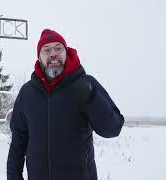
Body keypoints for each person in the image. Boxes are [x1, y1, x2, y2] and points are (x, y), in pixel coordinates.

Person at [7, 29, 124, 180]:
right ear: (39, 57)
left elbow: (112, 129)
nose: (53, 54)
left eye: (58, 48)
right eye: (47, 50)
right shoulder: (27, 93)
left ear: (66, 52)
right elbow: (18, 142)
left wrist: (91, 96)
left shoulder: (86, 84)